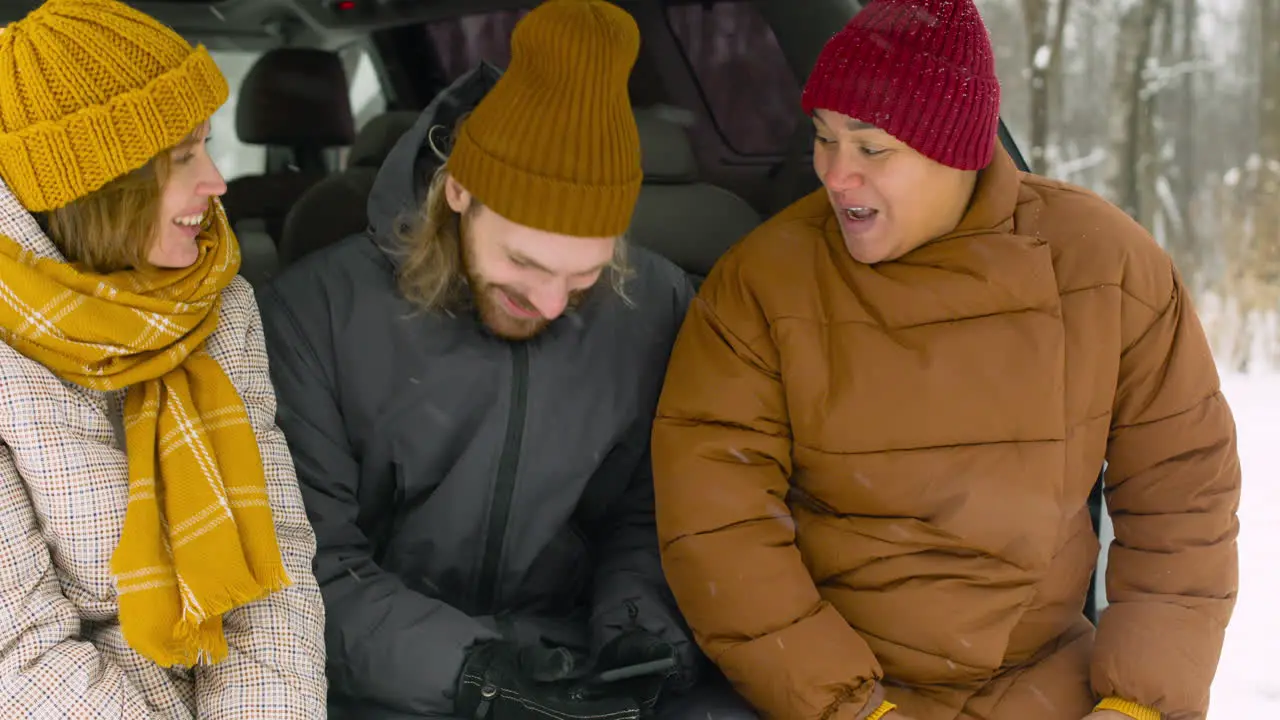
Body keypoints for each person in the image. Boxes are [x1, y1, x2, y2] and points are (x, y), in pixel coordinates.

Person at [650, 1, 1241, 719]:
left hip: (1045, 679)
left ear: (956, 149)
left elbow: (1182, 496)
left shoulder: (1103, 262)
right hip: (826, 686)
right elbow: (718, 525)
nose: (835, 175)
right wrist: (850, 706)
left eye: (871, 149)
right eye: (823, 138)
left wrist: (1137, 705)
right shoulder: (761, 283)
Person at [257, 1, 750, 718]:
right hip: (380, 678)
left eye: (583, 277)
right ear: (459, 189)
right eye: (523, 262)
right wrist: (479, 674)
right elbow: (303, 563)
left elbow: (651, 514)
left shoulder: (658, 305)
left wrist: (639, 635)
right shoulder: (311, 314)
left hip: (571, 662)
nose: (551, 303)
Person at [0, 1, 327, 717]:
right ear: (97, 185)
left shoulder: (221, 303)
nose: (217, 181)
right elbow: (18, 654)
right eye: (181, 157)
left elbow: (275, 570)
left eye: (207, 144)